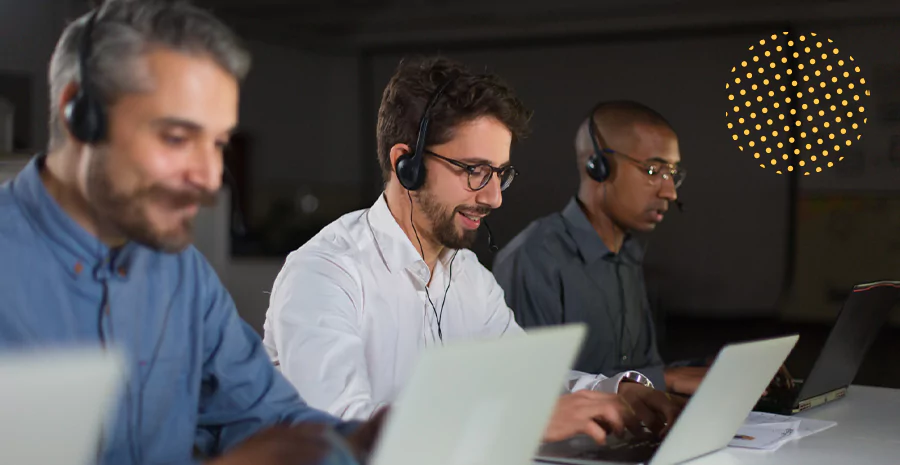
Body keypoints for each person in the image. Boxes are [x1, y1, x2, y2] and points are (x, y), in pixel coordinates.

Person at [0, 1, 382, 464]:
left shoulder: (182, 276)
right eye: (177, 138)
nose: (209, 178)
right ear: (79, 114)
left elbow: (268, 418)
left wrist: (368, 441)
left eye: (218, 144)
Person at [262, 58, 682, 446]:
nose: (495, 197)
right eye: (475, 171)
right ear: (406, 164)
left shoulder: (469, 276)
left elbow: (528, 379)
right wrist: (517, 420)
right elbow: (343, 434)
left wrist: (617, 392)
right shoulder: (324, 273)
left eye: (500, 174)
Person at [492, 100, 705, 394]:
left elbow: (642, 368)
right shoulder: (535, 258)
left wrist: (707, 370)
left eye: (673, 173)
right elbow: (531, 391)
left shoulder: (627, 254)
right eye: (654, 170)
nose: (669, 191)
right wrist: (666, 379)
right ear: (598, 167)